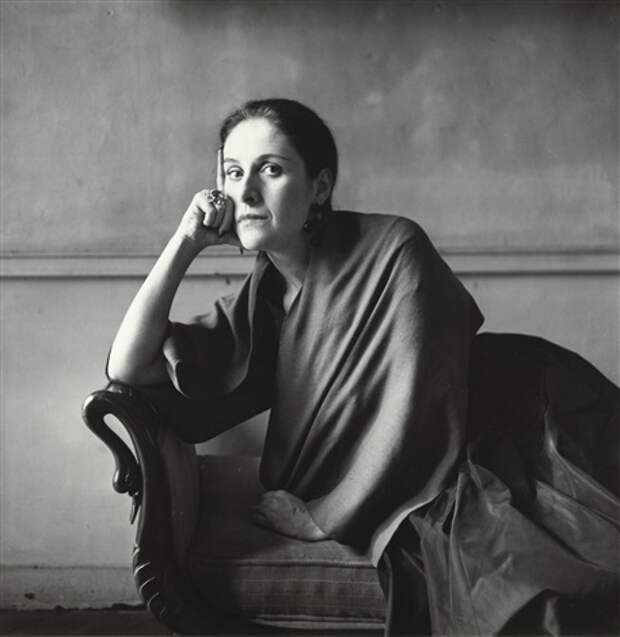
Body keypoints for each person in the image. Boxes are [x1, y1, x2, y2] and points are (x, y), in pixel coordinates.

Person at [107, 98, 619, 635]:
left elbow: (418, 411)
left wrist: (322, 517)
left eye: (271, 170)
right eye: (234, 174)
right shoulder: (263, 301)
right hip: (451, 434)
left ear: (320, 187)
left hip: (519, 418)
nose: (248, 192)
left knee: (527, 578)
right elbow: (129, 365)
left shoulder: (396, 247)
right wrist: (185, 242)